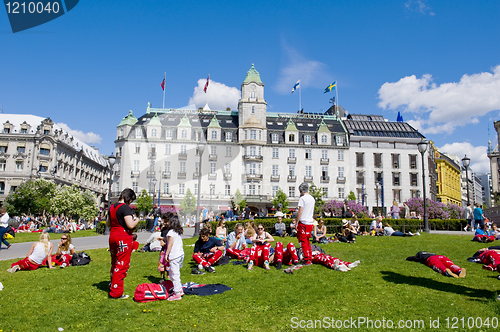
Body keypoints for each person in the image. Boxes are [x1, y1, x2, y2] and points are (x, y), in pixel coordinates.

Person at [107, 188, 139, 299]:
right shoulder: (125, 208)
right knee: (121, 264)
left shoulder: (112, 207)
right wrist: (137, 220)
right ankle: (116, 291)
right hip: (123, 237)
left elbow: (108, 224)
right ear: (128, 198)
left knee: (114, 262)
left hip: (113, 236)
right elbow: (130, 225)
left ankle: (112, 284)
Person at [159, 215, 184, 301]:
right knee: (177, 272)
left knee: (174, 274)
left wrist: (166, 255)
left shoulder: (170, 233)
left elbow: (170, 244)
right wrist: (163, 238)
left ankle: (177, 293)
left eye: (167, 222)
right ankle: (179, 288)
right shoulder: (177, 232)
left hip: (174, 256)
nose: (166, 223)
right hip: (180, 254)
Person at [296, 182, 315, 265]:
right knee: (307, 241)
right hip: (310, 222)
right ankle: (309, 256)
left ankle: (307, 259)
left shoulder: (302, 199)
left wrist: (297, 222)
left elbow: (300, 211)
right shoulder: (312, 198)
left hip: (303, 222)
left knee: (303, 241)